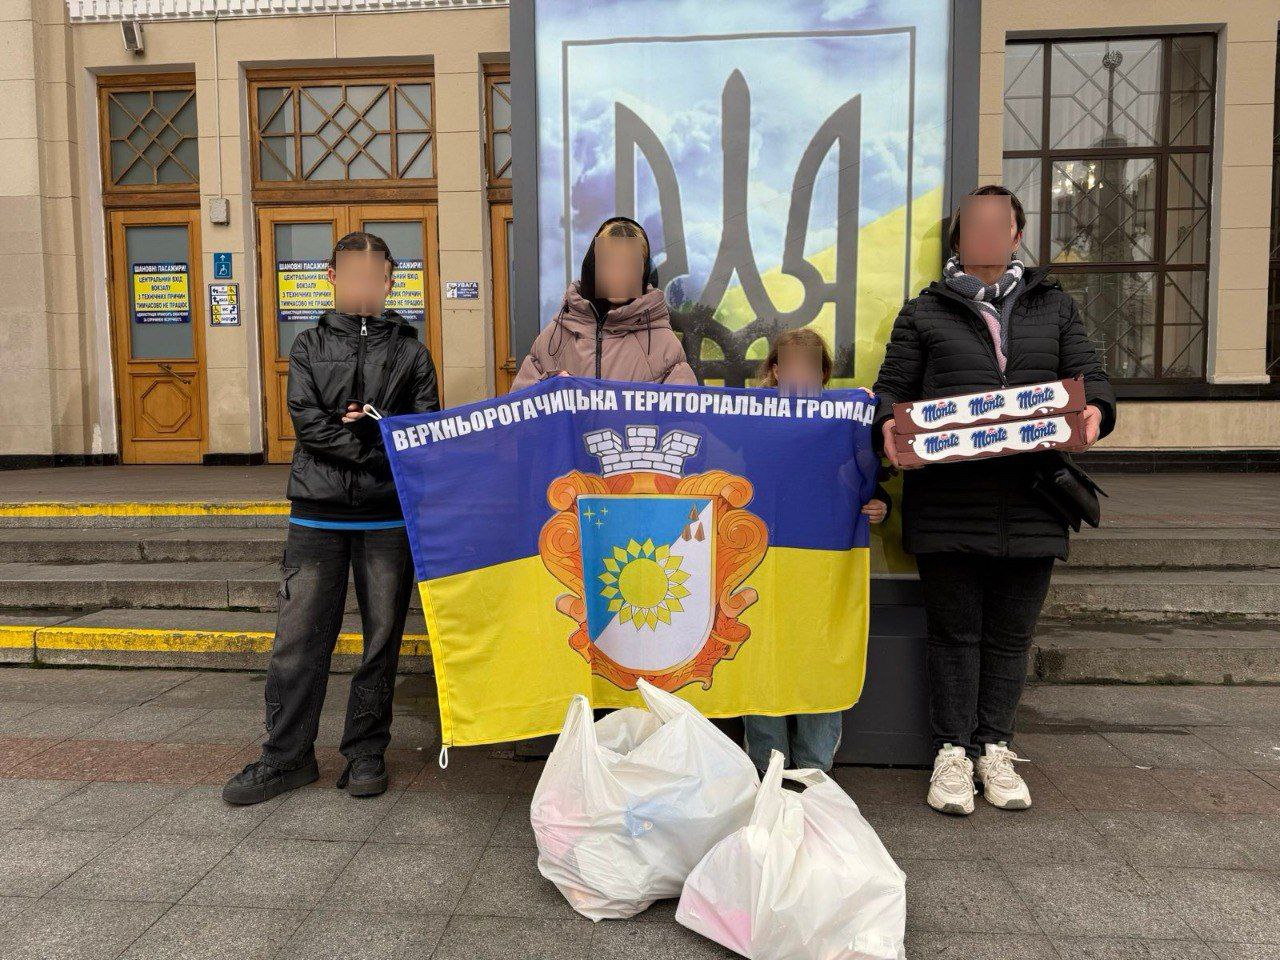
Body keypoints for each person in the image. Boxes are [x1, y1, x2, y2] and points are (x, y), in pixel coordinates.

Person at [872, 185, 1115, 815]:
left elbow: (1094, 379)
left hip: (1035, 501)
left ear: (1015, 234)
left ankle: (996, 749)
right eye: (971, 225)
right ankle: (951, 753)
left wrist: (1095, 415)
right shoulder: (922, 312)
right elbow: (889, 391)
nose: (983, 235)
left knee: (1011, 637)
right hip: (950, 501)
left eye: (996, 224)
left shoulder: (1054, 307)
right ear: (957, 238)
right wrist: (888, 430)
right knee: (954, 634)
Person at [223, 231, 440, 806]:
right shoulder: (308, 346)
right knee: (297, 641)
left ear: (390, 281)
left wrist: (377, 431)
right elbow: (308, 422)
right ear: (333, 279)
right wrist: (372, 442)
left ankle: (366, 751)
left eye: (376, 275)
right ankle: (286, 755)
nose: (364, 284)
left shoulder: (413, 354)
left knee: (381, 641)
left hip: (387, 519)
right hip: (316, 517)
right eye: (353, 274)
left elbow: (422, 431)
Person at [742, 329, 890, 775]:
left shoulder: (844, 423)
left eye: (811, 366)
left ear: (824, 374)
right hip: (763, 563)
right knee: (762, 657)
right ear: (774, 370)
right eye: (791, 365)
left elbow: (868, 478)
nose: (800, 374)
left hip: (823, 567)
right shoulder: (749, 420)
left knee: (819, 658)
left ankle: (813, 770)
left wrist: (879, 502)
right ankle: (767, 767)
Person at [511, 216, 696, 388]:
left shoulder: (663, 344)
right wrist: (549, 389)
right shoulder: (555, 338)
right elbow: (522, 409)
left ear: (644, 272)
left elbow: (685, 419)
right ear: (593, 267)